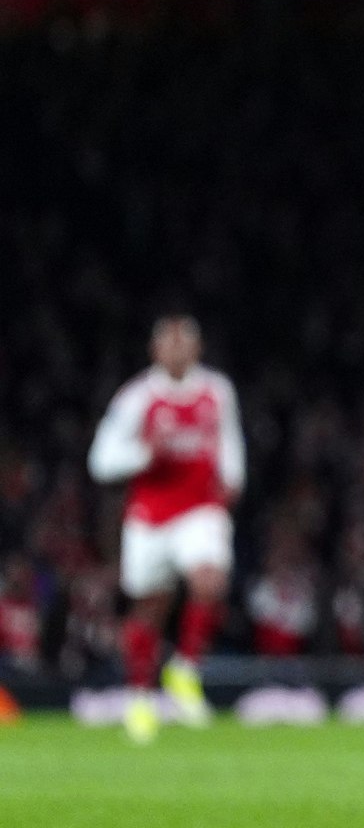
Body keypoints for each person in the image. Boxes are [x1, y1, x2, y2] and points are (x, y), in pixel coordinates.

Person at [87, 315, 245, 743]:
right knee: (149, 609)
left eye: (185, 344)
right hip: (151, 516)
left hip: (200, 509)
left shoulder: (217, 391)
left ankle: (184, 669)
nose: (177, 352)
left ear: (198, 349)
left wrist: (233, 475)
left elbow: (228, 439)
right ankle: (139, 697)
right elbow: (100, 461)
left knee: (209, 581)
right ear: (156, 351)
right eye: (169, 345)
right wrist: (143, 454)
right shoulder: (138, 397)